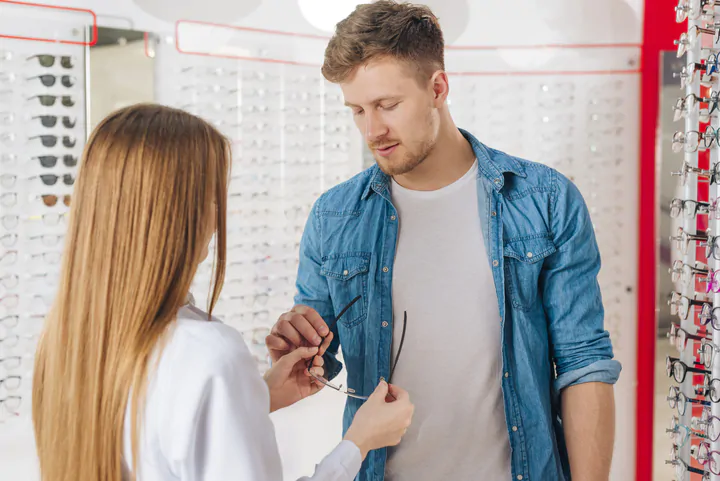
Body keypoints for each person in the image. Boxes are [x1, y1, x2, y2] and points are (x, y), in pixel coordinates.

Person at [266, 2, 622, 481]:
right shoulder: (334, 216)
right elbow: (319, 364)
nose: (372, 130)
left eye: (387, 105)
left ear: (438, 88)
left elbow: (584, 364)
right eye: (357, 110)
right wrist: (298, 350)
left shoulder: (545, 200)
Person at [31, 103, 414, 481]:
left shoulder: (65, 342)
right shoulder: (208, 355)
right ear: (183, 214)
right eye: (214, 198)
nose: (217, 217)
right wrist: (359, 443)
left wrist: (256, 398)